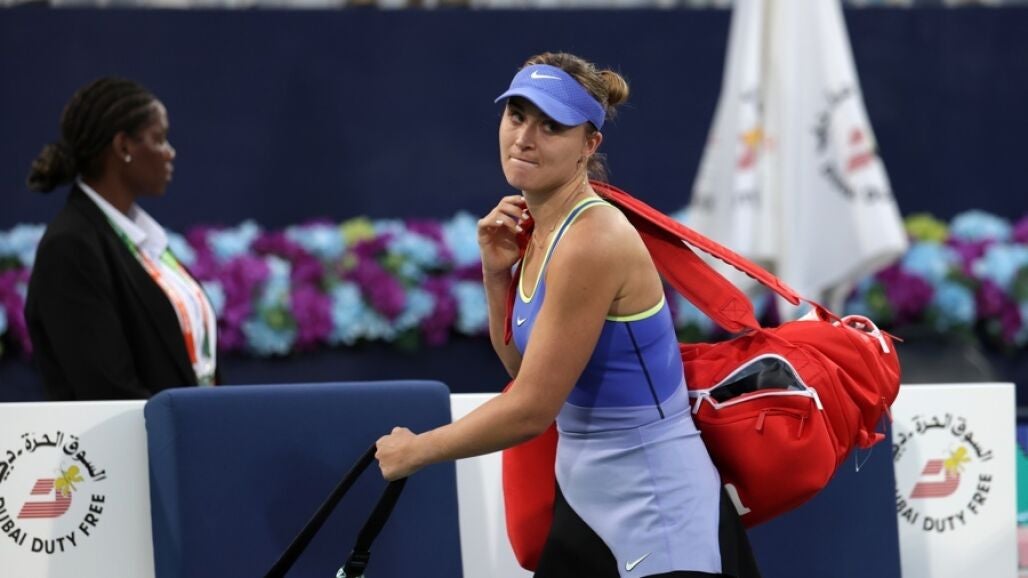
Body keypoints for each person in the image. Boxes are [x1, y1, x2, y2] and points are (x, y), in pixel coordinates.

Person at [376, 53, 760, 577]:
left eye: (551, 126)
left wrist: (417, 451)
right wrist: (496, 276)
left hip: (660, 520)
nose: (524, 138)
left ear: (589, 145)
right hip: (589, 510)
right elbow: (524, 371)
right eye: (516, 116)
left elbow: (532, 410)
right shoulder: (542, 231)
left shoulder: (592, 239)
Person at [24, 77, 217, 401]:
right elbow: (107, 390)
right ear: (124, 147)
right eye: (159, 139)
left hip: (191, 428)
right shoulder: (71, 247)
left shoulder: (145, 241)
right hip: (142, 434)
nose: (170, 153)